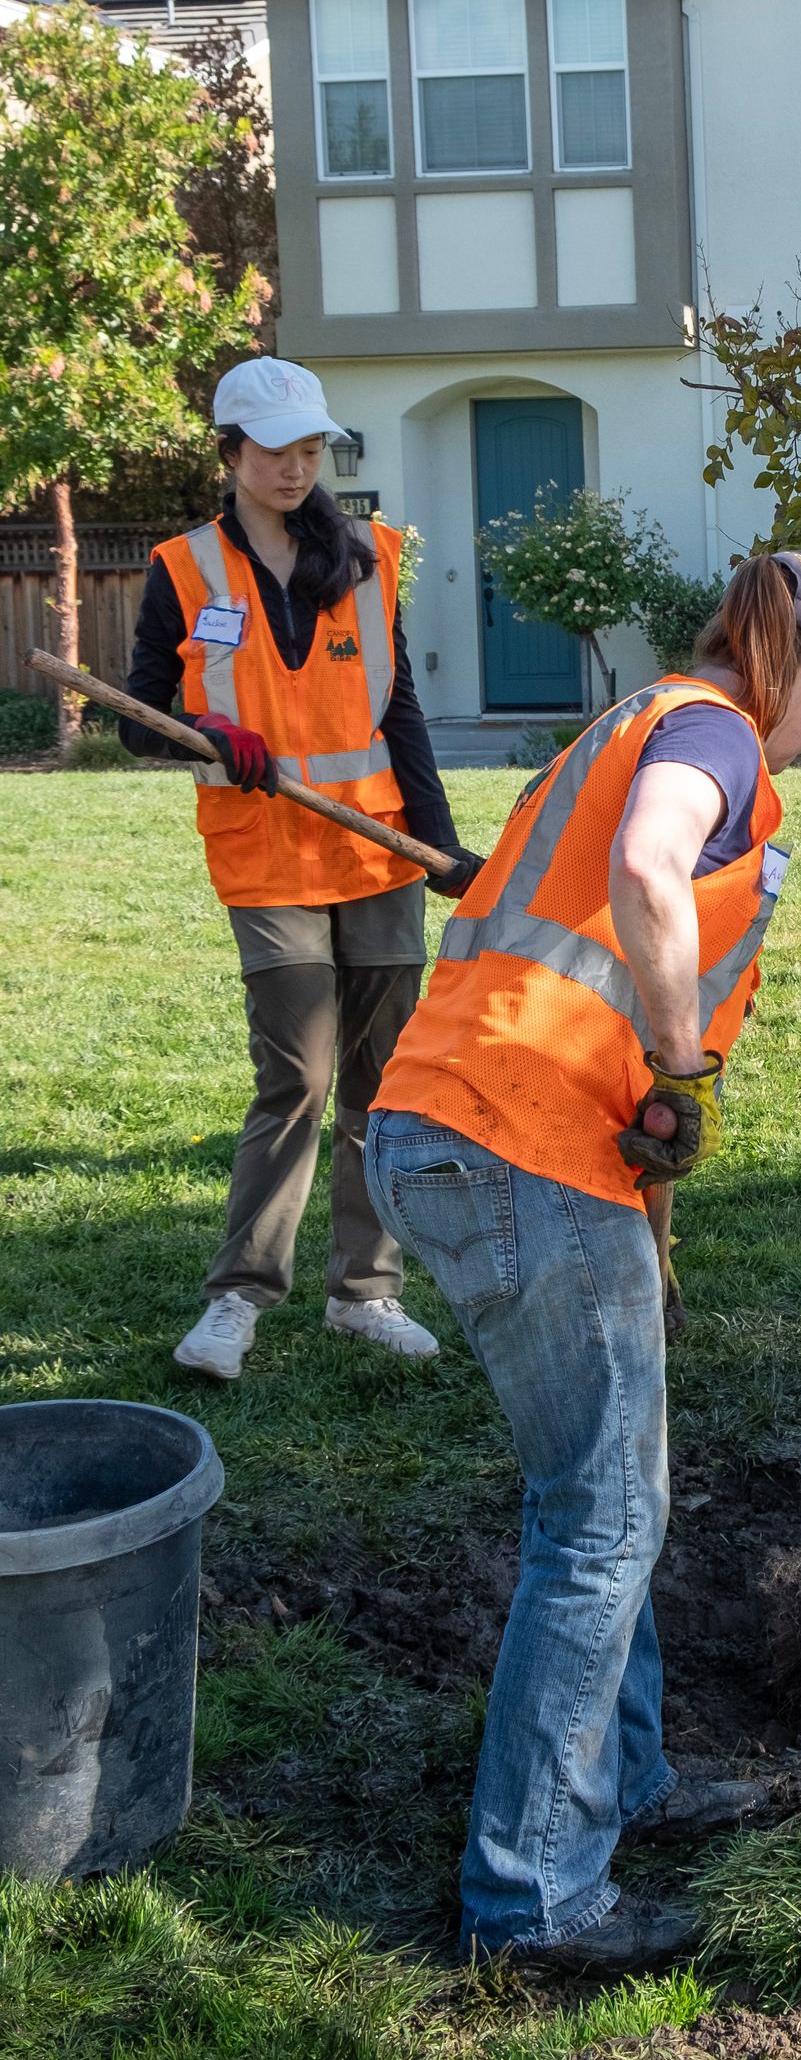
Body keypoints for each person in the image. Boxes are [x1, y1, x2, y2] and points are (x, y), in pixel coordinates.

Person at [365, 549, 801, 1974]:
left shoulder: (631, 714)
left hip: (445, 1128)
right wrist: (679, 1064)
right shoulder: (713, 736)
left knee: (601, 1498)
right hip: (517, 1149)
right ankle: (534, 1899)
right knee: (600, 1521)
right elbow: (652, 868)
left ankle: (624, 1780)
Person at [122, 356, 482, 1382]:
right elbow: (137, 721)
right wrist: (206, 736)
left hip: (376, 851)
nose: (295, 467)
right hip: (267, 857)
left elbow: (398, 709)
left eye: (310, 448)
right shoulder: (183, 567)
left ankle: (365, 1293)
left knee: (380, 1080)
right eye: (274, 449)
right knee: (298, 1076)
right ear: (230, 453)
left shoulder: (366, 555)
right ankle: (237, 1300)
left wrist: (441, 839)